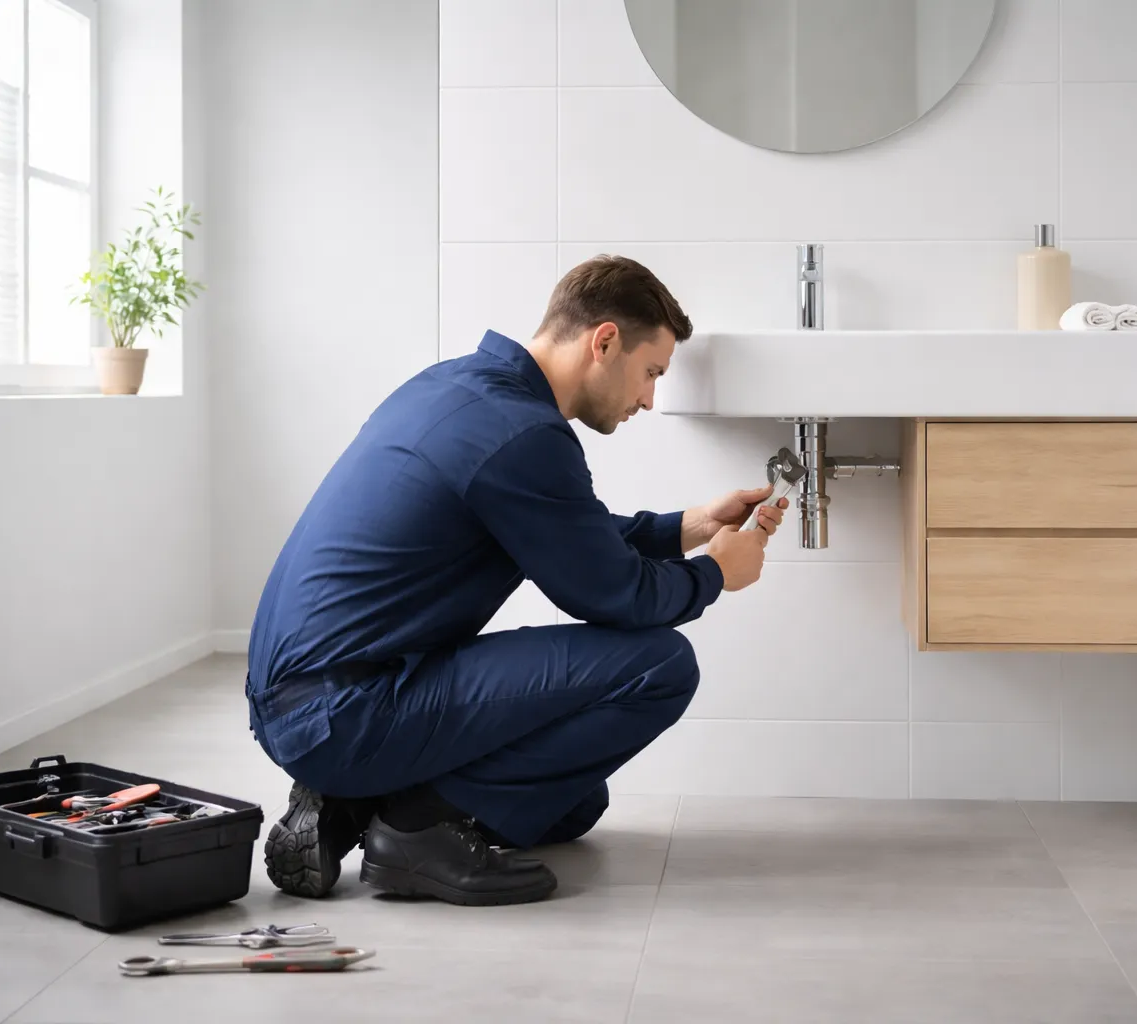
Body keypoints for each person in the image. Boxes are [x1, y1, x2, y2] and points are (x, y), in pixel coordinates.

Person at [244, 256, 786, 907]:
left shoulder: (457, 388)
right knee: (660, 665)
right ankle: (409, 832)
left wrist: (693, 525)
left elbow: (568, 533)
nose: (648, 398)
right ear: (604, 341)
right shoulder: (523, 434)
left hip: (305, 698)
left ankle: (353, 800)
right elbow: (617, 595)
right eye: (651, 373)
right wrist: (716, 575)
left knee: (573, 803)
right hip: (343, 709)